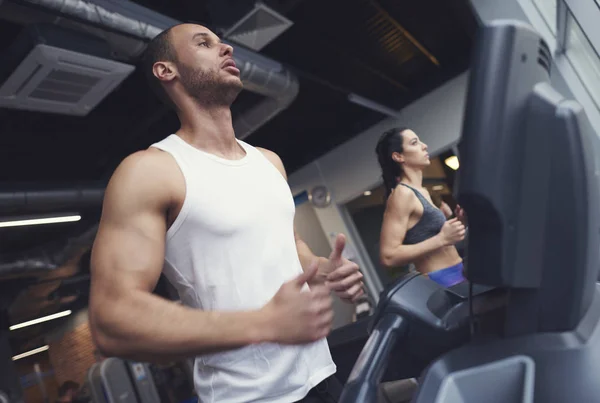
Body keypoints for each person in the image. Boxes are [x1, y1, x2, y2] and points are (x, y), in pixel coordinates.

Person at [88, 23, 364, 403]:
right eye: (205, 43)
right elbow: (112, 319)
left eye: (223, 42)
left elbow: (288, 241)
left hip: (322, 375)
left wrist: (322, 268)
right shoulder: (150, 171)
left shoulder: (269, 161)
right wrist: (263, 324)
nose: (227, 49)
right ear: (166, 70)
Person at [376, 127, 467, 287]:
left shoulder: (422, 191)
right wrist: (441, 239)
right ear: (398, 156)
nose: (424, 146)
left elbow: (436, 239)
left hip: (458, 270)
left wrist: (460, 222)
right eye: (414, 143)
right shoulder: (402, 194)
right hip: (441, 279)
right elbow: (388, 256)